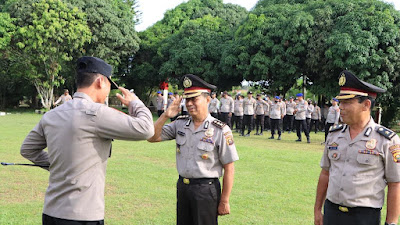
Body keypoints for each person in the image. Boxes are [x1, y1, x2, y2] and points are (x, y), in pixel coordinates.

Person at [20, 56, 155, 225]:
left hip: (51, 212)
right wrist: (135, 103)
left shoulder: (52, 115)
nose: (108, 93)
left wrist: (59, 164)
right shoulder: (97, 113)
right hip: (83, 215)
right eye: (108, 87)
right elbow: (147, 129)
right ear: (100, 81)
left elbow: (27, 149)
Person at [147, 74, 239, 225]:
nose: (189, 103)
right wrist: (165, 115)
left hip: (206, 190)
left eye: (194, 99)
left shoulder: (220, 130)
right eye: (187, 99)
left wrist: (225, 200)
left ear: (207, 100)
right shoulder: (180, 124)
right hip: (183, 187)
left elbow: (229, 167)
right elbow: (152, 137)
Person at [314, 70, 400, 225]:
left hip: (364, 217)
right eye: (340, 102)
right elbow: (325, 174)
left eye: (347, 102)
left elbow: (395, 183)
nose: (341, 107)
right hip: (332, 213)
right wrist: (317, 210)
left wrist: (391, 222)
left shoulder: (386, 140)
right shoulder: (334, 135)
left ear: (366, 105)